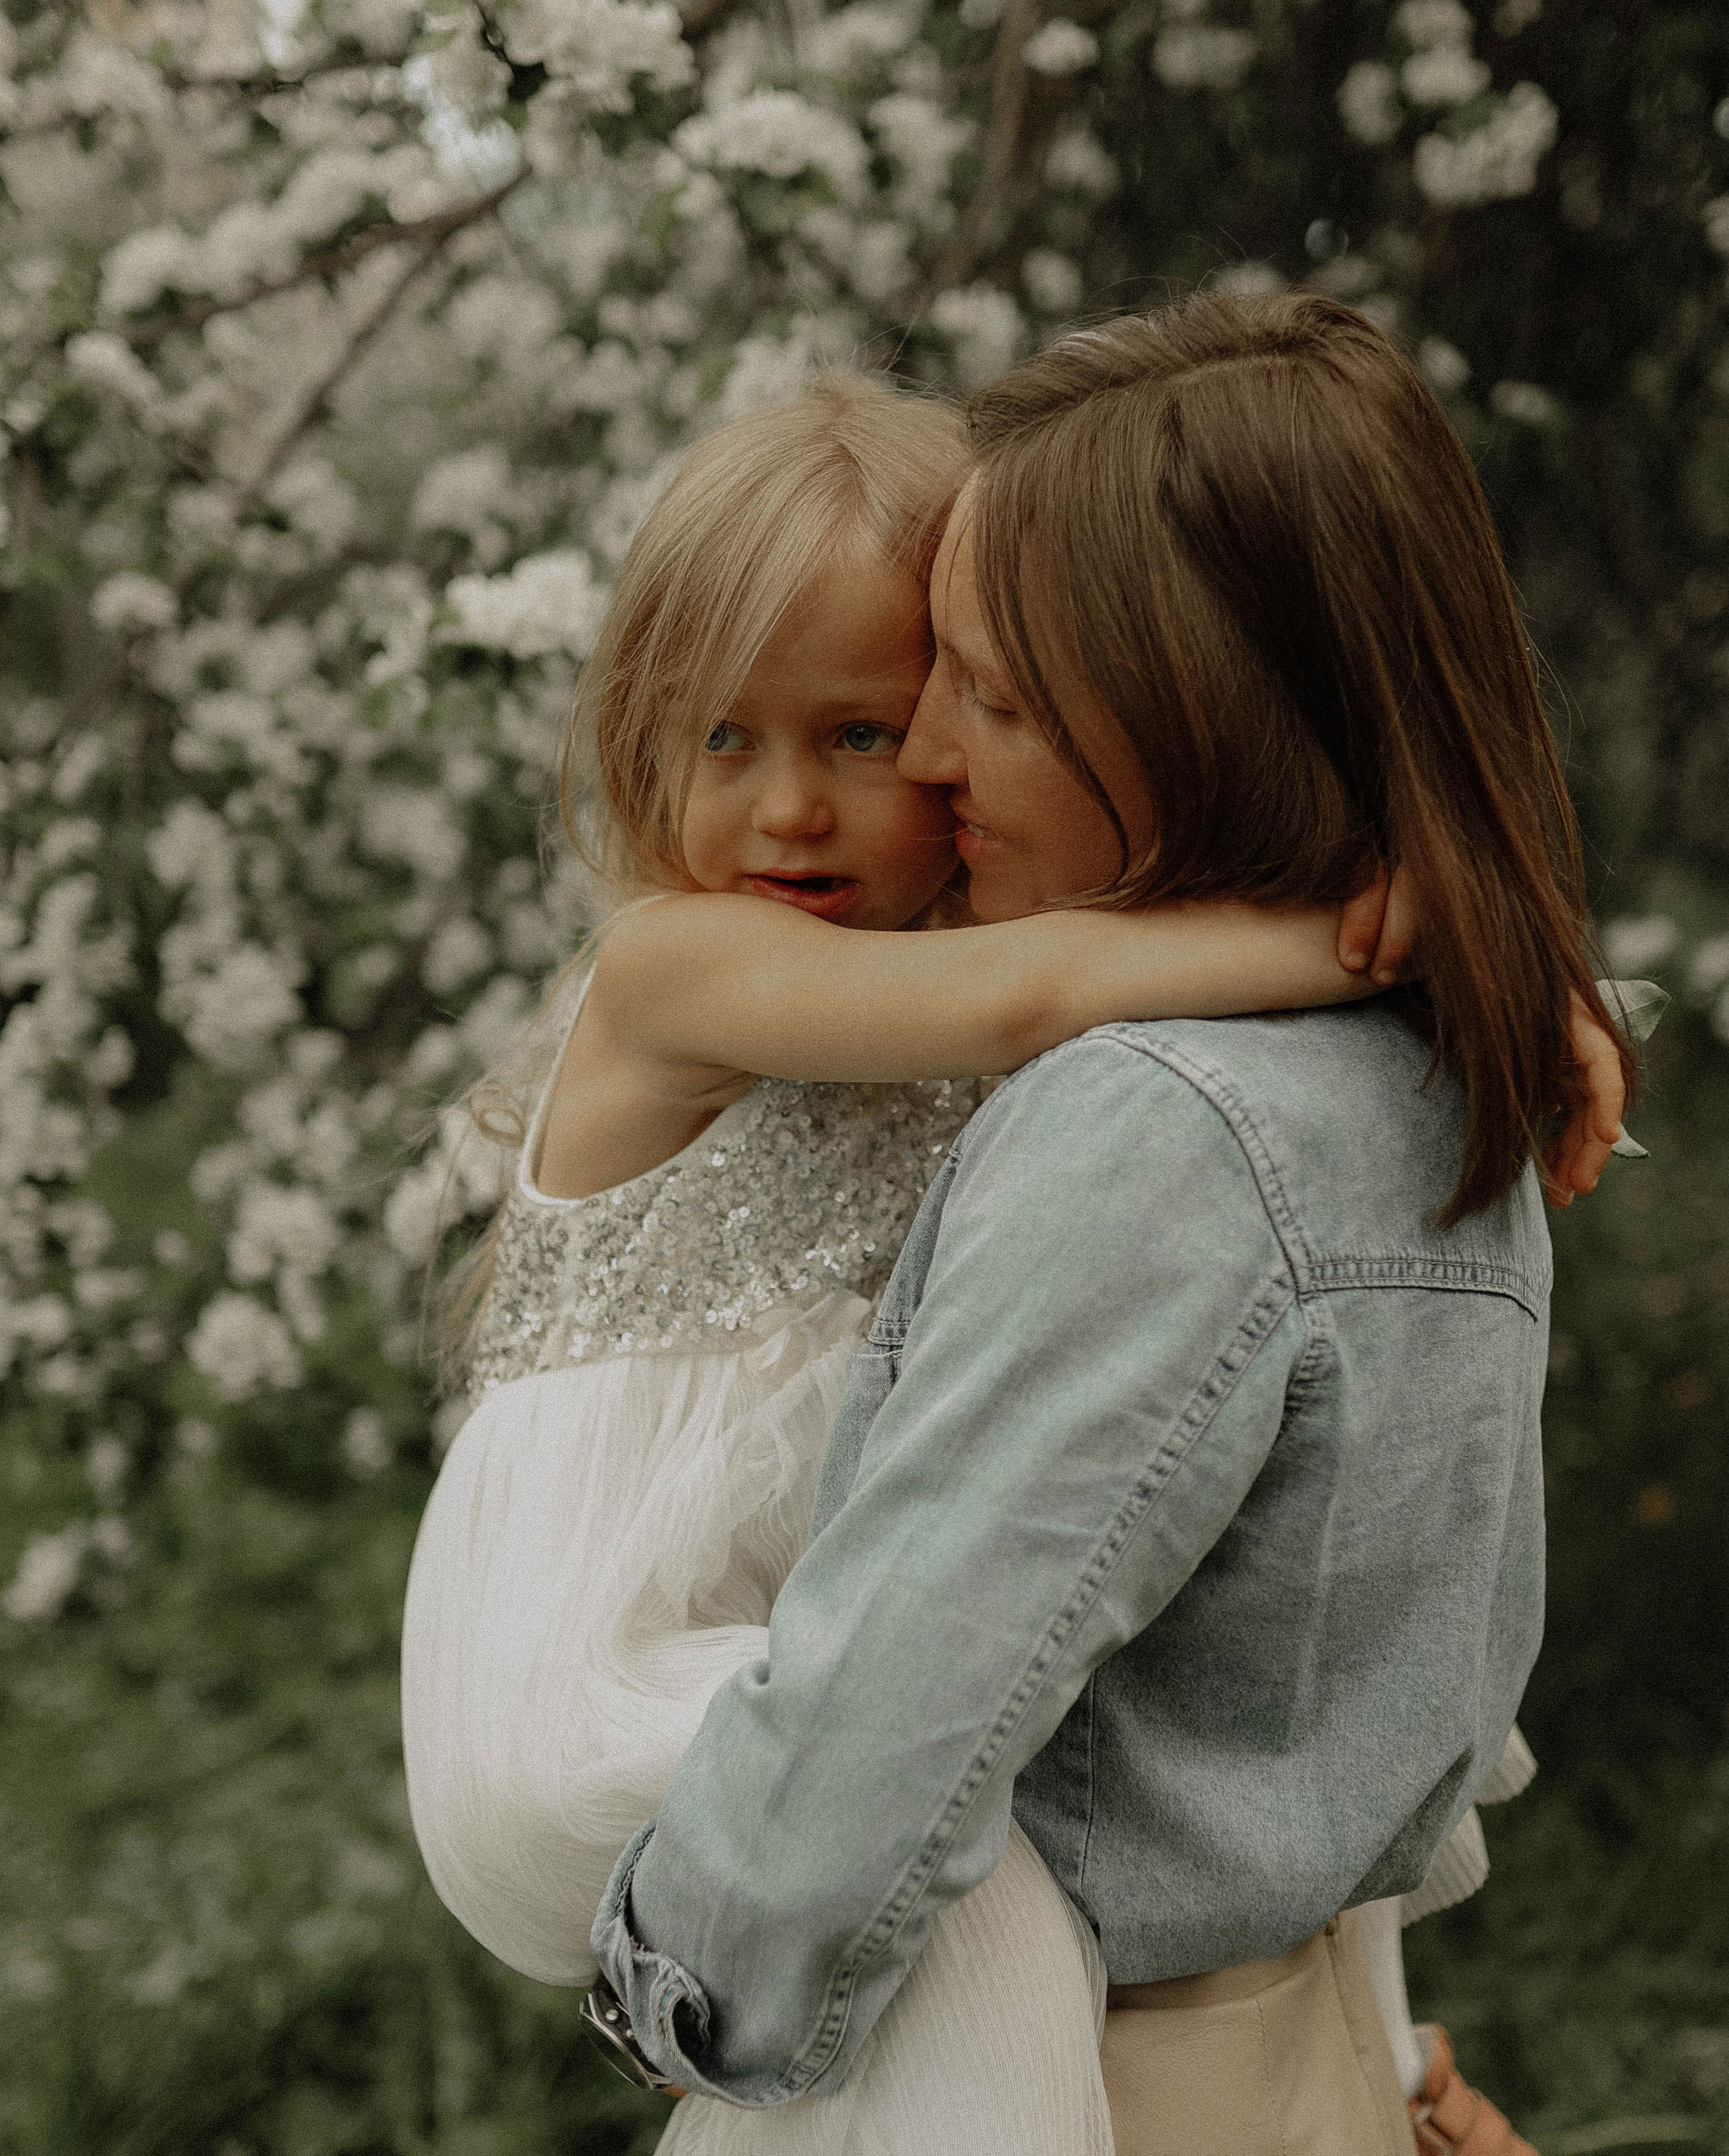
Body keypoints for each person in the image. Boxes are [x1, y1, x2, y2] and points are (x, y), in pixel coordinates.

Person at [400, 367, 1586, 2154]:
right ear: (644, 739)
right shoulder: (681, 964)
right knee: (959, 1828)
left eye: (866, 733)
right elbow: (1039, 989)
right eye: (723, 740)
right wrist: (1405, 940)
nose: (788, 812)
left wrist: (1518, 984)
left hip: (736, 1675)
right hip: (571, 1693)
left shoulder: (1044, 1017)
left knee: (996, 1785)